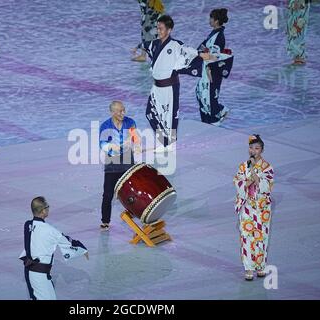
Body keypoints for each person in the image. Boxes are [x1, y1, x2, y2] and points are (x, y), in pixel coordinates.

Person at [139, 15, 214, 152]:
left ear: (169, 30)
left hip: (170, 86)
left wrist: (201, 54)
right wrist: (138, 48)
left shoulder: (175, 45)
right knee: (150, 113)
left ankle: (169, 144)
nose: (158, 31)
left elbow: (190, 52)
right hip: (156, 87)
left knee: (170, 115)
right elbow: (146, 45)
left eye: (161, 28)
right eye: (157, 28)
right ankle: (165, 141)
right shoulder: (155, 44)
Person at [19, 196, 89, 300]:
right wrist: (83, 250)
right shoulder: (51, 231)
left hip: (29, 271)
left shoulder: (27, 225)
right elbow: (67, 242)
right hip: (39, 274)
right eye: (47, 207)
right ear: (43, 211)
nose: (48, 209)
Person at [233, 135, 274, 281]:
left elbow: (267, 186)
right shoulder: (243, 166)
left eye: (257, 148)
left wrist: (255, 178)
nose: (253, 151)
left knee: (262, 236)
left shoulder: (267, 167)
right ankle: (249, 268)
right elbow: (238, 182)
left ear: (262, 150)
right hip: (247, 206)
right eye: (251, 148)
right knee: (247, 236)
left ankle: (261, 266)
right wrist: (249, 179)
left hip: (262, 207)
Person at [99, 101, 140, 230]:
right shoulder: (105, 126)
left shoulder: (130, 122)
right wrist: (112, 147)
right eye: (120, 111)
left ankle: (135, 212)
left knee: (132, 191)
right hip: (112, 162)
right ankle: (105, 221)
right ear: (112, 112)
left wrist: (136, 144)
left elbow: (135, 138)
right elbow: (102, 145)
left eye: (124, 110)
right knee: (108, 194)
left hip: (128, 160)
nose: (123, 113)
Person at [195, 8, 234, 126]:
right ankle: (208, 119)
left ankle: (216, 116)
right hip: (207, 68)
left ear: (216, 21)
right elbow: (204, 46)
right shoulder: (215, 33)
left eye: (211, 18)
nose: (209, 20)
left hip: (212, 70)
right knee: (201, 93)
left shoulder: (219, 36)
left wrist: (209, 69)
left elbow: (215, 56)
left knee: (209, 95)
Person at [287, 0, 310, 65]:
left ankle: (300, 55)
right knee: (293, 31)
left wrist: (298, 3)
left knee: (296, 32)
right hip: (298, 7)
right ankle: (299, 55)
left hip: (300, 7)